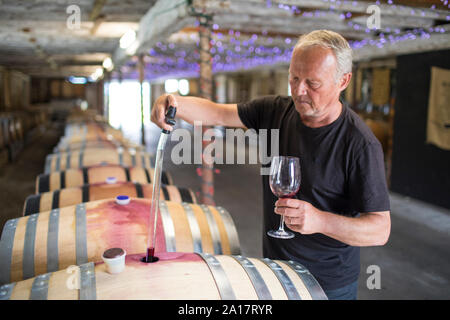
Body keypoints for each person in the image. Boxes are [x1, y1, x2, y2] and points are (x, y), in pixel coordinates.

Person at [151, 30, 391, 300]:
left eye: (312, 83)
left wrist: (319, 220)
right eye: (294, 78)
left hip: (326, 285)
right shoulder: (276, 111)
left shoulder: (360, 144)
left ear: (343, 81)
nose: (299, 91)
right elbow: (216, 112)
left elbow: (379, 229)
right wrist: (173, 102)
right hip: (275, 274)